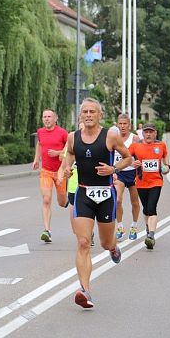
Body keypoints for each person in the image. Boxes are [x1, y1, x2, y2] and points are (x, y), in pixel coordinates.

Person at [63, 98, 132, 308]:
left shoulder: (110, 135)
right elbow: (70, 156)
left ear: (100, 115)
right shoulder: (73, 137)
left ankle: (113, 248)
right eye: (85, 111)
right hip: (83, 193)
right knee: (83, 242)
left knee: (105, 242)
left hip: (105, 195)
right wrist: (67, 168)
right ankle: (85, 291)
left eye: (93, 111)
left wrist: (114, 169)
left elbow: (128, 158)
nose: (89, 115)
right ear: (80, 115)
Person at [129, 123, 170, 250]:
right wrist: (132, 162)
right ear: (143, 133)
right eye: (146, 132)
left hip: (156, 182)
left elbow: (165, 156)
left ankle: (151, 236)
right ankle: (148, 228)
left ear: (155, 133)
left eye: (151, 132)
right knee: (146, 208)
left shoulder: (161, 145)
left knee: (152, 207)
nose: (148, 134)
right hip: (141, 182)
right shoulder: (136, 146)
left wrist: (167, 166)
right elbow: (126, 157)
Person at [32, 109, 69, 243]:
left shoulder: (62, 132)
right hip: (46, 171)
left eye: (49, 116)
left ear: (55, 119)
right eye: (44, 117)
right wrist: (36, 159)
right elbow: (40, 144)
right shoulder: (40, 132)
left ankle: (70, 202)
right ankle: (47, 231)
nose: (47, 119)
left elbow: (69, 147)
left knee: (62, 202)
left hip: (60, 171)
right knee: (46, 200)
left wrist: (58, 152)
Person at [113, 114, 141, 240]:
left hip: (133, 173)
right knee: (117, 200)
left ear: (129, 125)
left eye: (125, 124)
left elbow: (141, 154)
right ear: (117, 125)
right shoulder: (113, 138)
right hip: (119, 173)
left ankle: (134, 226)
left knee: (135, 202)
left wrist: (138, 163)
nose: (123, 126)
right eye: (121, 124)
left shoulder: (134, 138)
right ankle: (120, 227)